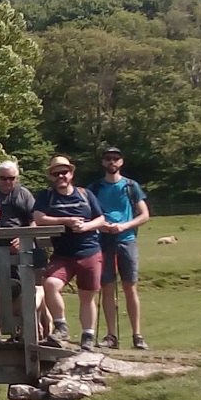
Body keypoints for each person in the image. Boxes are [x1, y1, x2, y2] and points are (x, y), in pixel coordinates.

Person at [33, 155, 107, 351]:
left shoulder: (85, 194)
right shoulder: (46, 196)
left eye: (64, 172)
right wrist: (65, 221)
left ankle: (88, 336)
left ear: (71, 174)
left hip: (89, 250)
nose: (61, 176)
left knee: (86, 296)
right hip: (62, 254)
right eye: (56, 173)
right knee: (50, 283)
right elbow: (39, 217)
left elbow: (101, 218)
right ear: (51, 176)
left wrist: (86, 226)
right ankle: (61, 326)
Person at [88, 146, 150, 350]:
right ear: (103, 162)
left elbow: (144, 215)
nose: (111, 162)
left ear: (121, 162)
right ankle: (111, 335)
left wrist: (124, 225)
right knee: (107, 288)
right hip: (103, 241)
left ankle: (137, 335)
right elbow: (88, 214)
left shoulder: (131, 186)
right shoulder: (94, 188)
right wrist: (102, 225)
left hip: (127, 240)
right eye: (108, 159)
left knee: (130, 287)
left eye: (115, 158)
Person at [0, 159, 38, 339]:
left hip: (19, 248)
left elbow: (34, 221)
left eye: (11, 178)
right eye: (3, 178)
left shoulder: (24, 195)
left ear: (16, 177)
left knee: (20, 287)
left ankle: (21, 329)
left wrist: (24, 238)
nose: (7, 182)